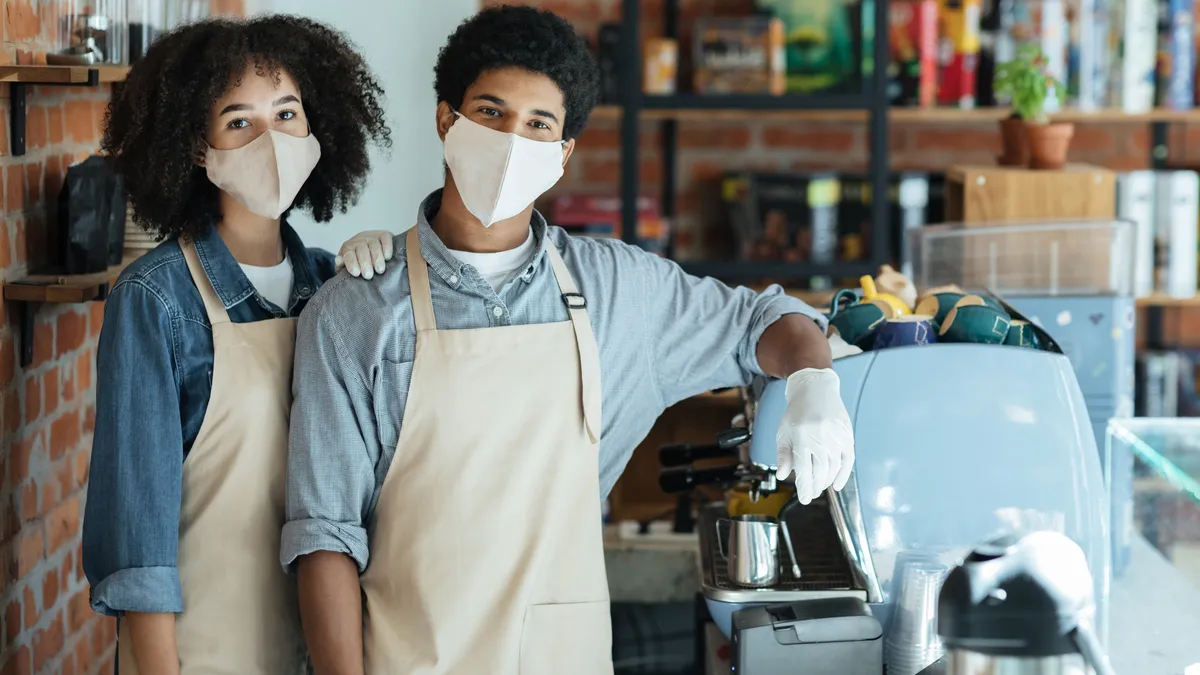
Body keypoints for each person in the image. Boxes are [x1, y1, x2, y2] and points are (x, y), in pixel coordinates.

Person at [286, 6, 855, 674]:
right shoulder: (355, 309)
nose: (510, 141)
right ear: (447, 120)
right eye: (491, 113)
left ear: (562, 155)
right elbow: (324, 536)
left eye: (538, 125)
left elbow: (765, 321)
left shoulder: (620, 292)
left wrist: (816, 380)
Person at [81, 15, 393, 675]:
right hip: (200, 654)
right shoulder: (156, 299)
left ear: (317, 127)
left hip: (324, 651)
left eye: (287, 112)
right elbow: (139, 541)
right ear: (198, 147)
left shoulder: (334, 289)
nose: (272, 139)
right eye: (239, 122)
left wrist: (396, 273)